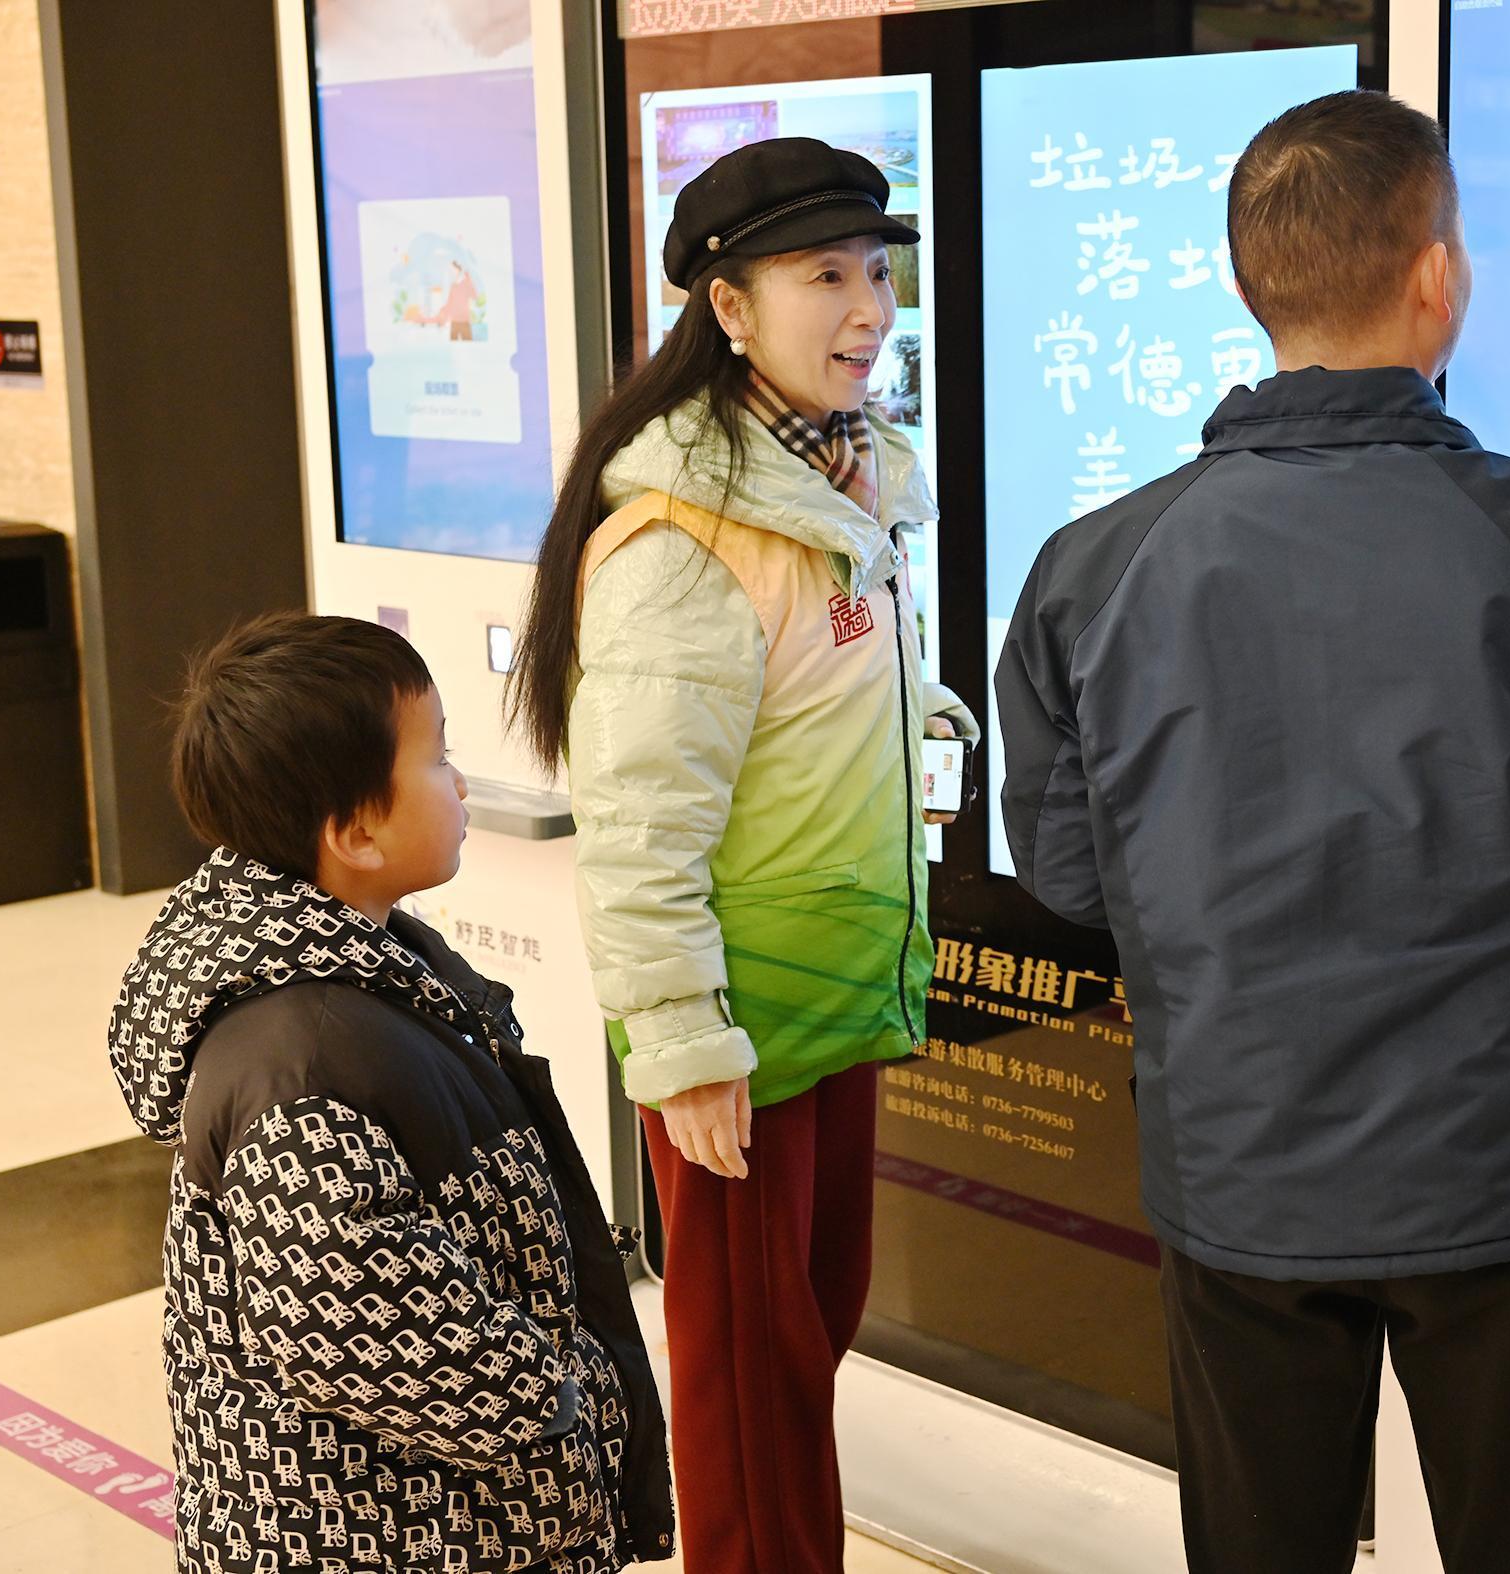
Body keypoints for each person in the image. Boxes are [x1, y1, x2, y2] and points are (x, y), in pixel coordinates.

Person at [996, 90, 1510, 1574]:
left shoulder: (1091, 565)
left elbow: (1067, 875)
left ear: (1251, 285)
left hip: (1240, 1172)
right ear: (1435, 275)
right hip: (1505, 1179)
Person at [508, 136, 977, 1574]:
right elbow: (640, 826)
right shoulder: (682, 536)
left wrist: (914, 721)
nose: (868, 308)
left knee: (806, 1337)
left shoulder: (833, 480)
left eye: (877, 271)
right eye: (823, 275)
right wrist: (684, 1041)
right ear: (726, 306)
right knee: (749, 1385)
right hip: (739, 1030)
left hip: (829, 995)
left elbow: (804, 685)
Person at [106, 612, 673, 1573]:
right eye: (438, 758)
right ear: (356, 832)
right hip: (397, 1535)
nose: (460, 782)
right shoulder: (302, 1067)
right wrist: (558, 1397)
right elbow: (341, 1318)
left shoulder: (366, 971)